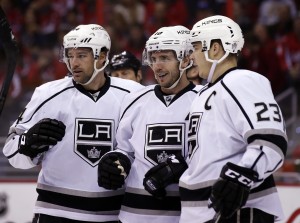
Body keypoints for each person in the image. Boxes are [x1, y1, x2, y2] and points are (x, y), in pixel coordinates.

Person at [2, 24, 143, 223]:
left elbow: (143, 148)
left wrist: (126, 162)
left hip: (113, 214)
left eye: (82, 55)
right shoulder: (47, 93)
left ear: (102, 56)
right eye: (70, 55)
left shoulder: (133, 94)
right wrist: (28, 143)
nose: (73, 62)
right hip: (55, 213)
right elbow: (12, 152)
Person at [179, 15, 287, 223]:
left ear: (215, 49)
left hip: (236, 212)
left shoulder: (242, 81)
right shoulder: (204, 93)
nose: (192, 56)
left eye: (196, 47)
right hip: (201, 213)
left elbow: (271, 141)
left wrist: (239, 178)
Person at [97, 25, 202, 223]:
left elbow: (215, 154)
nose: (157, 66)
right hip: (133, 216)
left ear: (186, 59)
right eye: (153, 59)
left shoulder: (205, 100)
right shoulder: (135, 99)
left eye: (164, 58)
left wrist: (184, 165)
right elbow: (124, 149)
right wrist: (114, 161)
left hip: (185, 216)